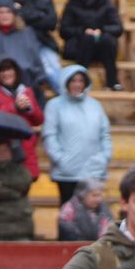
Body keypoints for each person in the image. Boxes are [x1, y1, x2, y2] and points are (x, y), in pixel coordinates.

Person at [42, 65, 111, 206]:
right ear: (66, 82)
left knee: (93, 216)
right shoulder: (54, 106)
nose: (77, 84)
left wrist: (104, 157)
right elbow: (50, 135)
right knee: (68, 217)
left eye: (80, 81)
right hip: (67, 173)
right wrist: (61, 160)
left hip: (93, 171)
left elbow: (104, 134)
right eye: (73, 80)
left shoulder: (95, 105)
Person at [0, 0, 63, 93]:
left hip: (43, 43)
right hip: (18, 44)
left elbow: (51, 23)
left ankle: (67, 97)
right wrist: (39, 15)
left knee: (52, 69)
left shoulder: (46, 0)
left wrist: (24, 12)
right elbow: (7, 19)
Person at [0, 58, 44, 180]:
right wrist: (14, 107)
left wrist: (29, 108)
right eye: (2, 70)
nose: (6, 74)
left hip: (25, 151)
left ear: (16, 71)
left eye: (9, 69)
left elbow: (39, 119)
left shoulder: (26, 91)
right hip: (1, 151)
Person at [59, 0, 123, 91]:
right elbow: (64, 30)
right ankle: (80, 81)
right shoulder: (72, 5)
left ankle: (112, 81)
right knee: (87, 39)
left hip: (102, 46)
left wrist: (102, 30)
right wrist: (82, 31)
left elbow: (118, 28)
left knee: (108, 40)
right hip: (78, 46)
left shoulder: (107, 4)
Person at [0, 3, 47, 101]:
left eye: (8, 12)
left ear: (14, 15)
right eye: (1, 12)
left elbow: (35, 56)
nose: (5, 15)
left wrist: (40, 74)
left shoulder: (26, 32)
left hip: (26, 78)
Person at [56, 177, 111, 243]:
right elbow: (68, 231)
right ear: (83, 195)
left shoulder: (103, 207)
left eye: (100, 195)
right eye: (94, 195)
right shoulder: (69, 208)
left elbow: (109, 227)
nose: (98, 199)